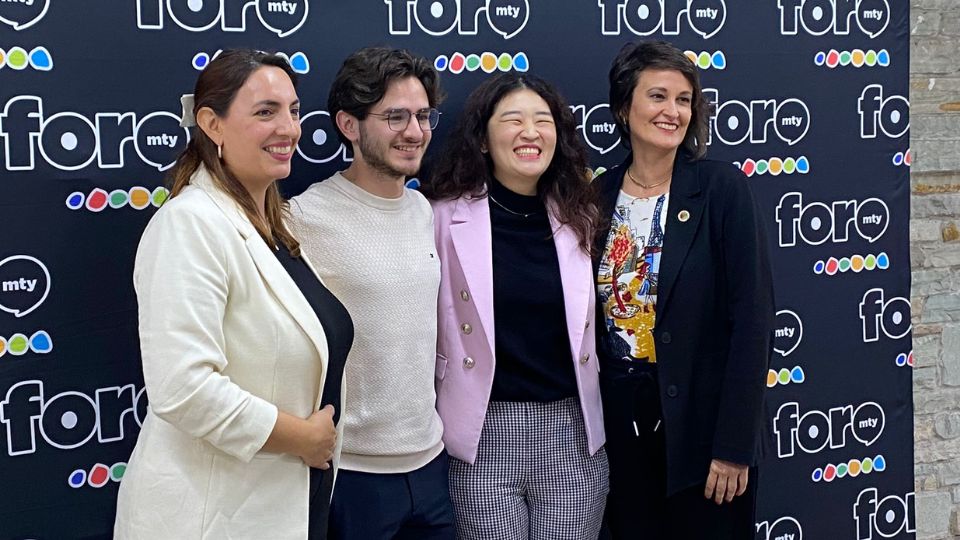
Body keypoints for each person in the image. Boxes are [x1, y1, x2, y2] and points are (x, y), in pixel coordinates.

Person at [114, 49, 353, 539]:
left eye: (292, 110)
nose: (289, 128)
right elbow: (184, 389)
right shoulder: (189, 225)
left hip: (287, 502)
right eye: (265, 111)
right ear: (212, 123)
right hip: (212, 516)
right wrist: (302, 439)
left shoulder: (272, 227)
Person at [594, 41, 774, 539]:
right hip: (622, 435)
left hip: (704, 439)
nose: (672, 111)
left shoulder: (721, 189)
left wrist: (734, 446)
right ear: (623, 107)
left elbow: (753, 321)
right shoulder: (597, 196)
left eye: (684, 99)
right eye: (657, 96)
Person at [423, 73, 608, 539]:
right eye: (513, 120)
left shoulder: (581, 216)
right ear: (483, 140)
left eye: (542, 121)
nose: (530, 132)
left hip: (572, 430)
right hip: (481, 430)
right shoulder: (440, 217)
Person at [288, 47, 454, 540]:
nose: (415, 132)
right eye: (395, 117)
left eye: (423, 116)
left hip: (431, 465)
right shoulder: (303, 218)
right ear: (349, 124)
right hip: (352, 475)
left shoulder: (424, 210)